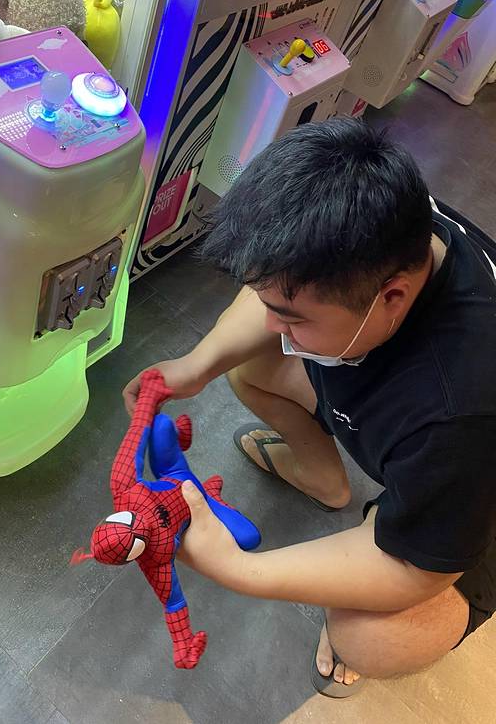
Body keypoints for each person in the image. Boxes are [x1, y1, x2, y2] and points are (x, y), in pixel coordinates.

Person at [123, 118, 496, 697]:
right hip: (422, 431)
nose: (274, 324)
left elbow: (420, 570)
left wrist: (238, 569)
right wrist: (198, 364)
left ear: (392, 297)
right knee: (249, 365)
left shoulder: (461, 411)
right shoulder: (386, 221)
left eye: (292, 317)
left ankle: (388, 525)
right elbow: (277, 286)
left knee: (368, 637)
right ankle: (326, 482)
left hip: (477, 498)